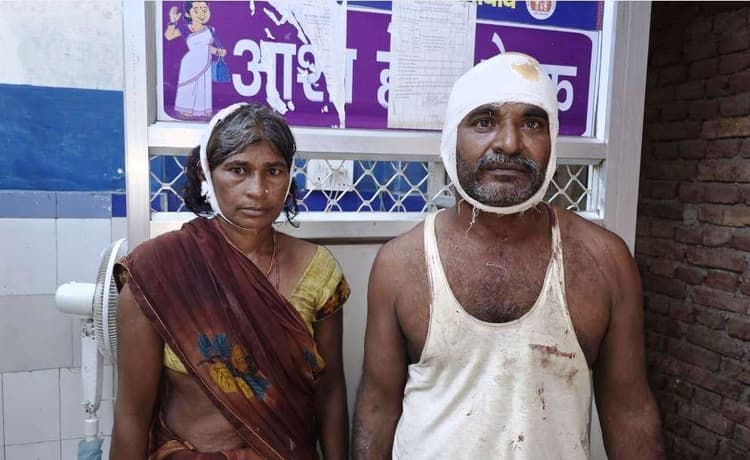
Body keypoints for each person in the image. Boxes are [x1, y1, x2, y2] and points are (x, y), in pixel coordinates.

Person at [352, 53, 665, 459]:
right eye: (484, 122)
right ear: (451, 137)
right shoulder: (400, 263)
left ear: (552, 139)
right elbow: (378, 407)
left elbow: (630, 412)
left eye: (532, 123)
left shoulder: (604, 260)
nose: (509, 143)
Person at [111, 103, 350, 459]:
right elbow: (132, 414)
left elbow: (330, 395)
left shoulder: (318, 271)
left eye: (273, 171)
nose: (257, 189)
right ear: (206, 173)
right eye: (238, 170)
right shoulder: (156, 272)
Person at [164, 1, 227, 118]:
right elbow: (169, 36)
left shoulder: (210, 30)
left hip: (205, 62)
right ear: (188, 14)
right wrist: (173, 22)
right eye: (197, 10)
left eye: (205, 10)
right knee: (189, 86)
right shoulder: (184, 28)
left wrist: (219, 51)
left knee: (203, 86)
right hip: (190, 63)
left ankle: (202, 110)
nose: (202, 13)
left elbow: (209, 48)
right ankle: (186, 109)